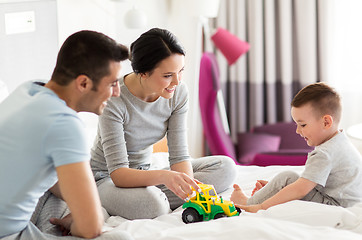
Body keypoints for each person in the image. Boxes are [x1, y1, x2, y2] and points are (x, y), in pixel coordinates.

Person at [90, 28, 237, 220]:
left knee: (225, 167)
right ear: (143, 73)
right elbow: (118, 173)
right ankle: (137, 199)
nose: (176, 82)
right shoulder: (114, 99)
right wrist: (164, 177)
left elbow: (179, 156)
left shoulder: (178, 93)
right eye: (168, 75)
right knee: (153, 205)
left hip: (146, 174)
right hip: (108, 178)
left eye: (180, 71)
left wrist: (191, 192)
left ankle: (154, 197)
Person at [0, 30, 133, 240]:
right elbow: (91, 229)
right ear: (83, 83)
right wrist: (86, 220)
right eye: (112, 83)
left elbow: (41, 173)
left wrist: (84, 211)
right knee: (119, 238)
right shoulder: (64, 124)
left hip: (14, 217)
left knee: (64, 198)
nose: (117, 92)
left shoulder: (30, 89)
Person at [231, 82, 362, 213]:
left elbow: (300, 189)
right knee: (290, 181)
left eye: (303, 125)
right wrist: (276, 190)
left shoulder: (325, 153)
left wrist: (261, 207)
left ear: (326, 122)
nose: (298, 131)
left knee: (287, 177)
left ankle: (248, 203)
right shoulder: (341, 141)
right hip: (347, 202)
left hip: (335, 206)